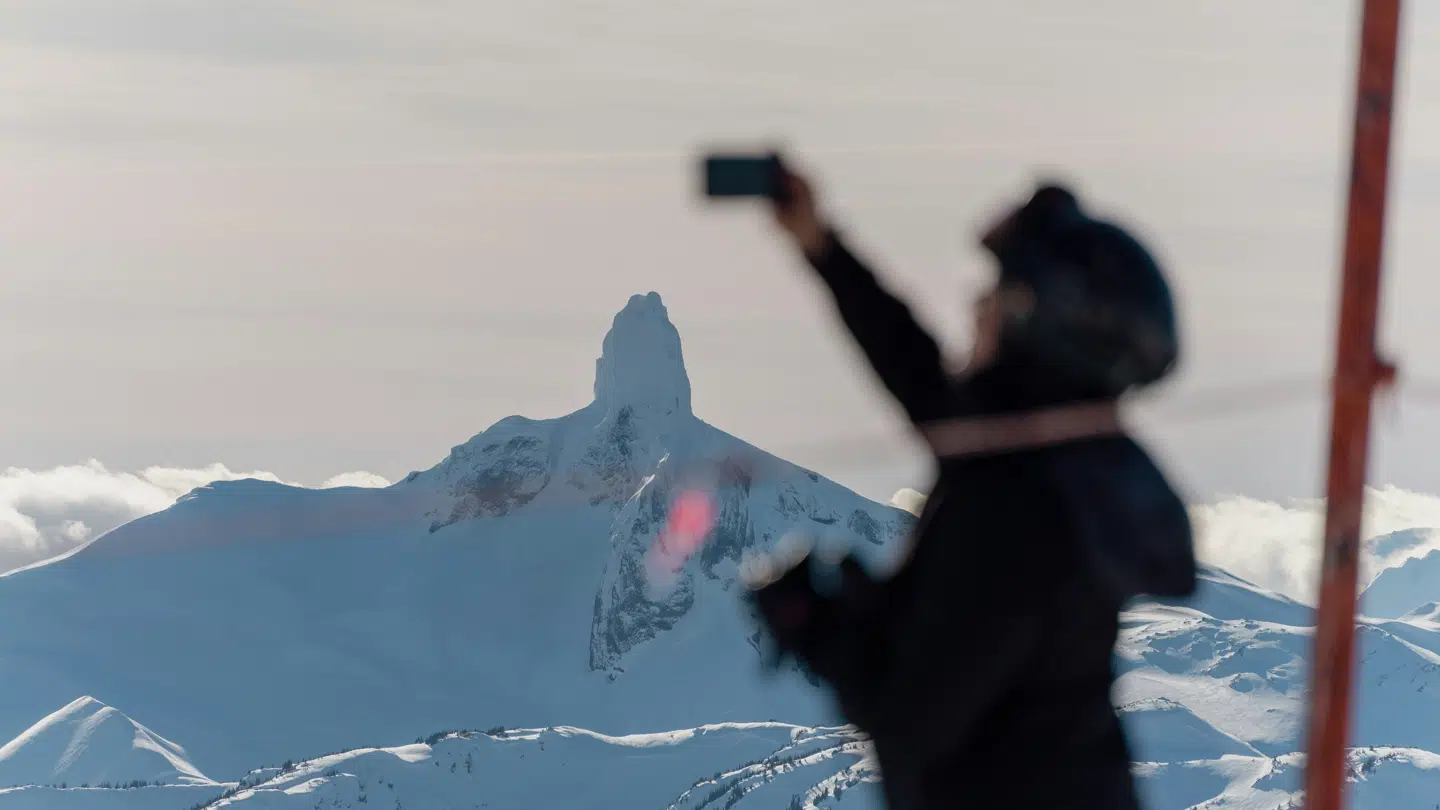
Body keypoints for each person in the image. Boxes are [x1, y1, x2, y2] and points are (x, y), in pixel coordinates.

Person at [744, 160, 1198, 810]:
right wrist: (822, 245)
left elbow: (911, 719)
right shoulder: (1060, 468)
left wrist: (814, 624)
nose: (976, 306)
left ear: (1036, 322)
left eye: (1000, 293)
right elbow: (918, 374)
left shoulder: (1019, 511)